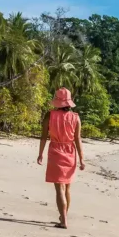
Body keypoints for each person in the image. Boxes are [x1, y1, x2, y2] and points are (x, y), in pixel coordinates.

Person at [37, 88, 85, 229]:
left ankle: (63, 220)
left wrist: (40, 153)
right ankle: (63, 215)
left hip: (56, 150)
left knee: (59, 189)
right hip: (70, 152)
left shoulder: (49, 115)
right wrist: (82, 159)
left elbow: (44, 136)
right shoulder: (75, 117)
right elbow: (78, 139)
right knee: (67, 188)